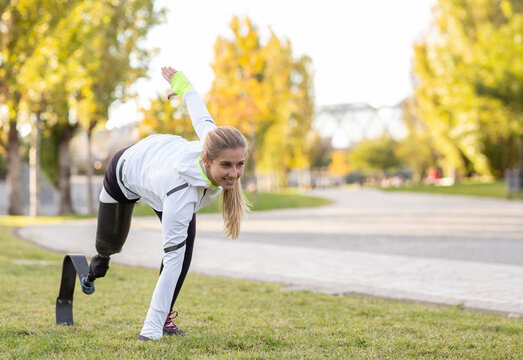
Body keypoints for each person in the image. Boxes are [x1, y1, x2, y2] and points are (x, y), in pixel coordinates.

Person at [81, 66, 250, 341]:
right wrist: (148, 333)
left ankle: (164, 318)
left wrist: (182, 84)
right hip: (124, 172)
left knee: (185, 246)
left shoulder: (212, 141)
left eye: (240, 164)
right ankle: (96, 267)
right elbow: (171, 261)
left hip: (158, 174)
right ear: (207, 161)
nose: (234, 173)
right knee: (110, 245)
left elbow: (198, 109)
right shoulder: (181, 194)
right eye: (226, 165)